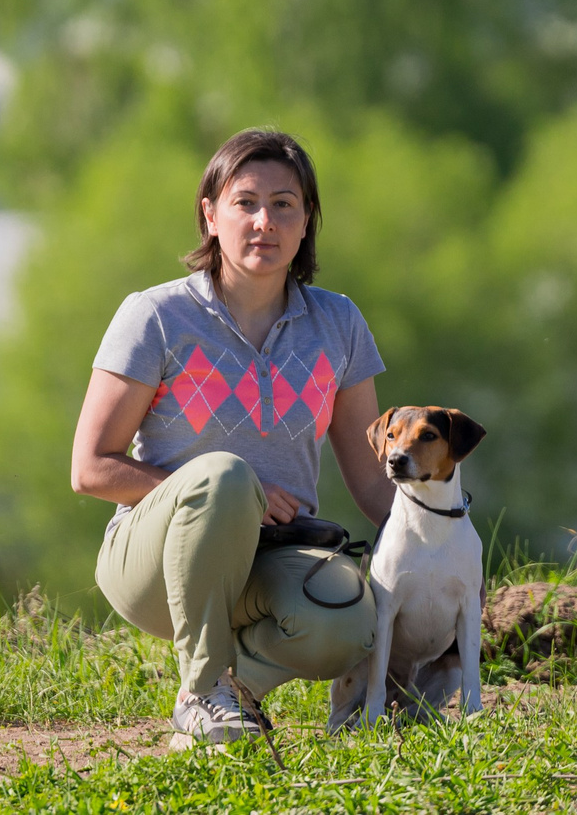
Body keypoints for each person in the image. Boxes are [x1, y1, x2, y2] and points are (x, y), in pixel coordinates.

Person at [72, 128, 396, 746]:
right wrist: (237, 492)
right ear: (210, 215)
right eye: (245, 202)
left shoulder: (339, 323)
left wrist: (446, 545)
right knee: (225, 476)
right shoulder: (156, 316)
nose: (263, 222)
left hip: (271, 559)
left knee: (346, 619)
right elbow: (90, 468)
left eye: (284, 204)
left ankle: (222, 697)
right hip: (153, 564)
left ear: (307, 220)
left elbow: (374, 484)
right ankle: (205, 689)